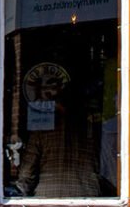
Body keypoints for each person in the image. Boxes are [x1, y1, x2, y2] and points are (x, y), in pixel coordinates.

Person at [14, 63, 102, 199]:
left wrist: (19, 194)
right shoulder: (94, 128)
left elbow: (26, 174)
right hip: (88, 197)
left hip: (48, 197)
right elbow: (105, 167)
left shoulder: (42, 129)